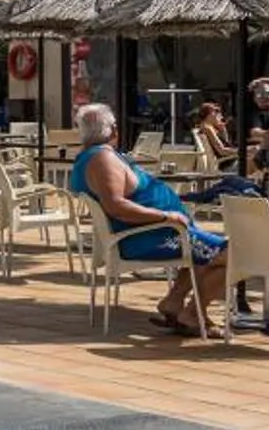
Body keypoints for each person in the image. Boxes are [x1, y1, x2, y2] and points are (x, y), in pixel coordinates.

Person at [71, 104, 230, 338]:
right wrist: (167, 216)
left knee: (207, 247)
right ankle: (193, 314)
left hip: (159, 232)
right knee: (232, 254)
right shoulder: (102, 159)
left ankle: (174, 303)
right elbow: (116, 205)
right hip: (149, 237)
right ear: (113, 130)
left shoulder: (94, 156)